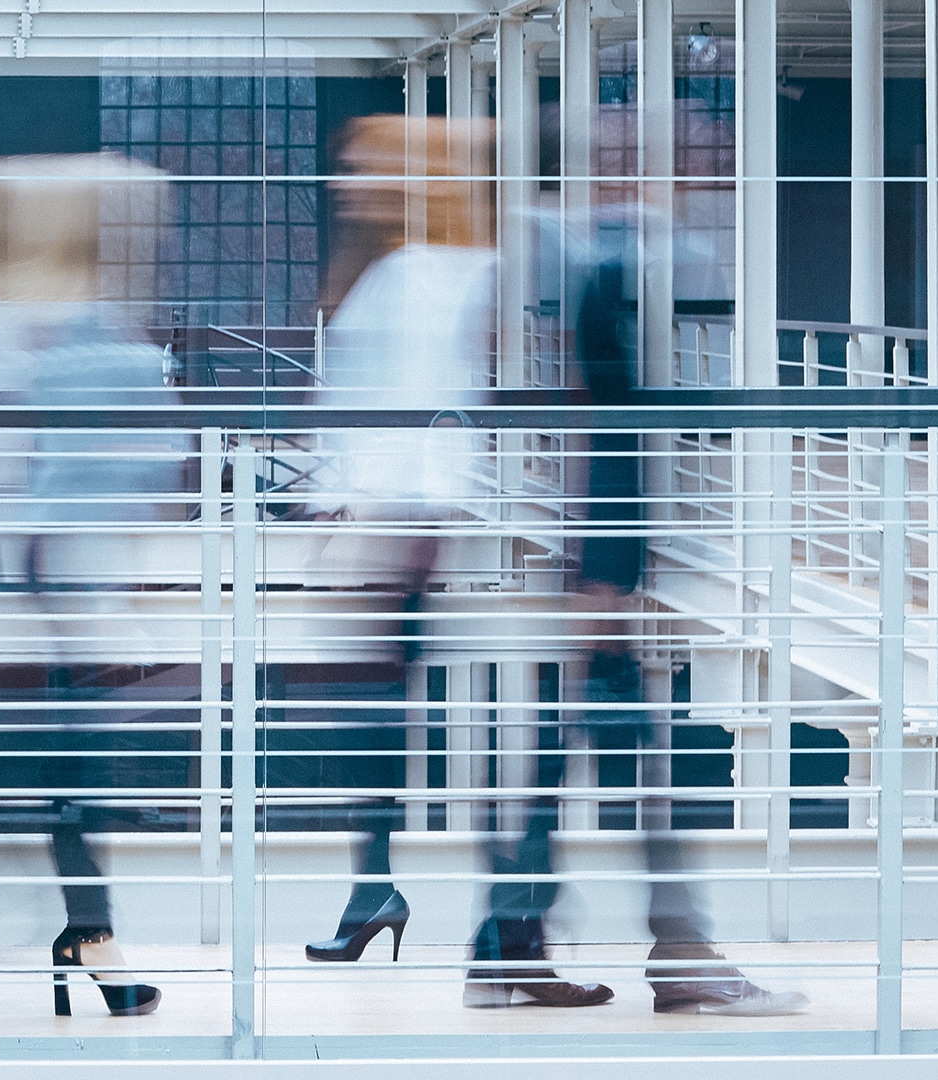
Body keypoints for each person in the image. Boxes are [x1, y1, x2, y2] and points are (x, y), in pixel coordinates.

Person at [461, 224, 808, 1016]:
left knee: (586, 771)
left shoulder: (603, 264)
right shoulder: (602, 270)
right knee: (626, 776)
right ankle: (664, 953)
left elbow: (595, 421)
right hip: (600, 587)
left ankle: (515, 945)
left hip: (599, 581)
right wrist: (605, 586)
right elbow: (603, 422)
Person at [0, 154, 170, 1017]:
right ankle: (84, 938)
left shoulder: (54, 332)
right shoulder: (80, 336)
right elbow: (143, 466)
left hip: (43, 585)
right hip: (44, 587)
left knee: (68, 772)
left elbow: (98, 469)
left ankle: (87, 936)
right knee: (68, 772)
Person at [297, 114, 497, 976]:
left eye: (362, 166)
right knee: (368, 718)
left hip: (395, 523)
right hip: (383, 518)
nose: (345, 182)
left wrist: (367, 515)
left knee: (371, 715)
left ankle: (382, 894)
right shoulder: (400, 267)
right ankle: (372, 891)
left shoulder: (428, 273)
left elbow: (430, 411)